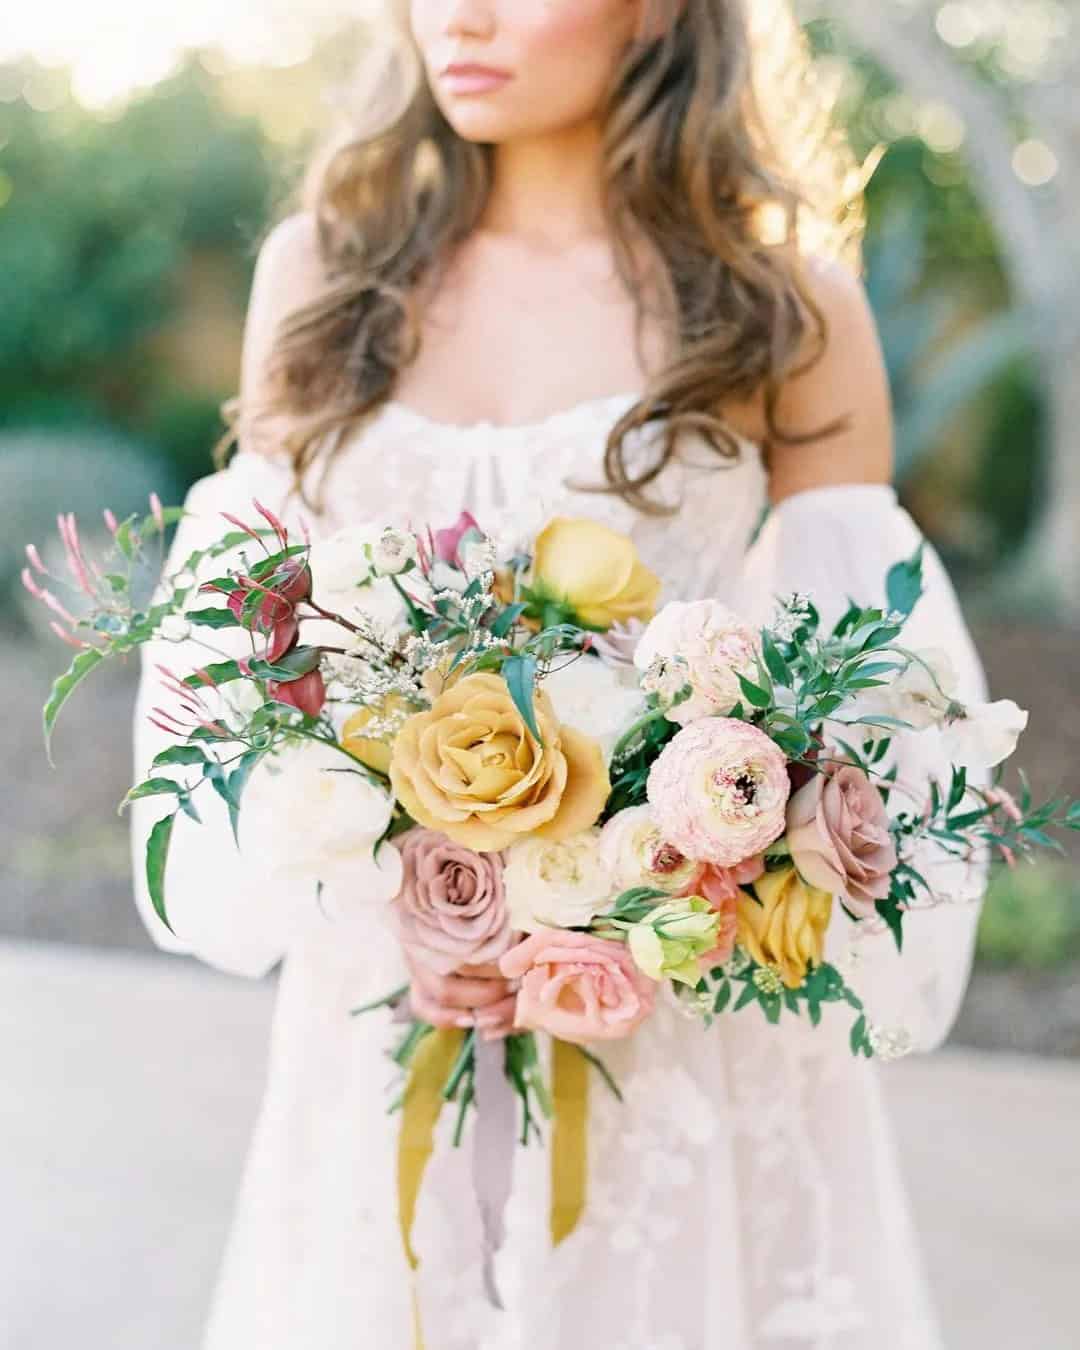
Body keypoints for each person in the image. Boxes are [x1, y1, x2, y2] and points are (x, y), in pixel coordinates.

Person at [129, 2, 989, 1346]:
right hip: (389, 1010)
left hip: (679, 1029)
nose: (455, 16)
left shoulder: (782, 305)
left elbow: (872, 706)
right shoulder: (322, 274)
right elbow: (245, 669)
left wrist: (685, 844)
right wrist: (397, 880)